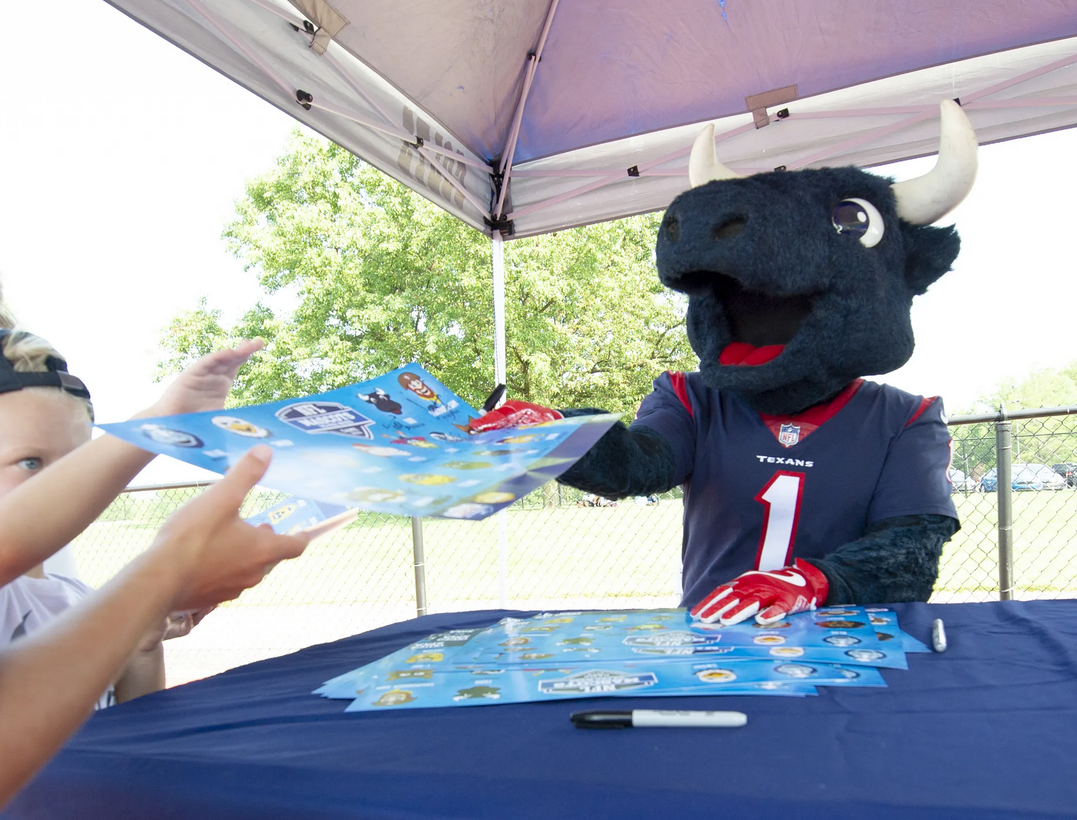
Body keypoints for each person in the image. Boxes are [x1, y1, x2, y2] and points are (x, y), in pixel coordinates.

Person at [0, 319, 310, 805]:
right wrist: (167, 571)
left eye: (81, 462)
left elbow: (134, 729)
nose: (69, 487)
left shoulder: (73, 600)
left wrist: (142, 642)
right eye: (31, 463)